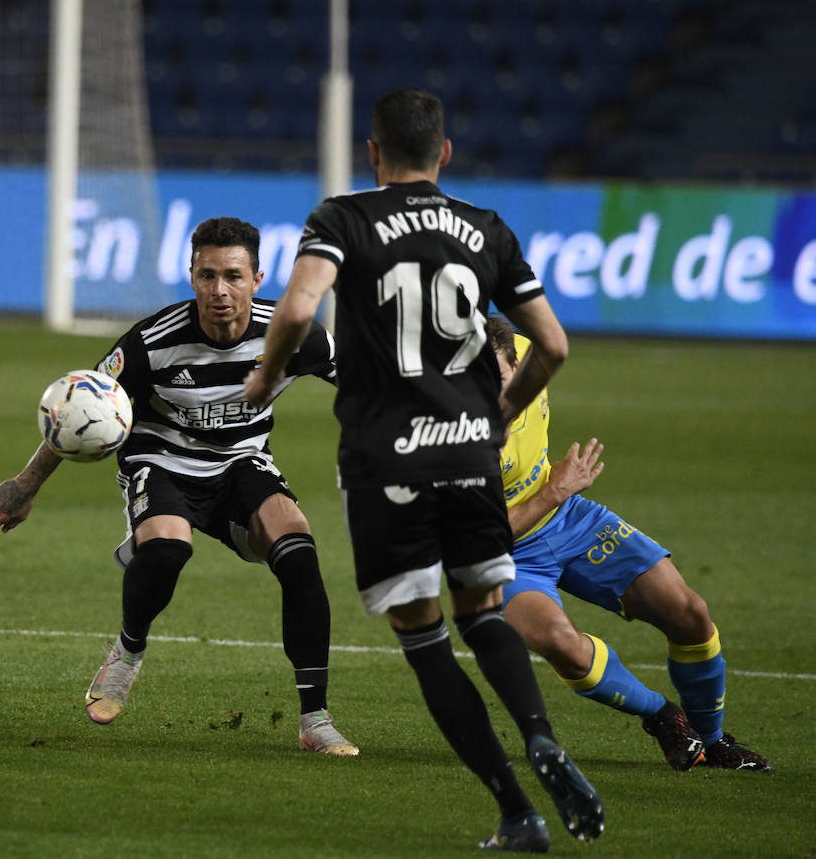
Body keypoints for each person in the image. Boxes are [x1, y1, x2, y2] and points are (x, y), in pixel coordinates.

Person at [245, 87, 604, 851]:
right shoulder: (485, 228)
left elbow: (300, 309)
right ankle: (540, 735)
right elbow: (555, 344)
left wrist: (265, 377)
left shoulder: (342, 217)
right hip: (470, 450)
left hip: (386, 460)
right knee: (484, 609)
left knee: (426, 635)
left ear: (372, 153)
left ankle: (515, 809)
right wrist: (504, 414)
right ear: (445, 153)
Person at [0, 216, 359, 757]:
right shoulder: (149, 344)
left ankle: (315, 720)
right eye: (207, 275)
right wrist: (26, 483)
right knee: (165, 549)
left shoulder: (292, 332)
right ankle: (128, 650)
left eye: (233, 275)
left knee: (299, 553)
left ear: (257, 279)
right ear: (190, 276)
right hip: (162, 462)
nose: (219, 290)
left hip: (242, 463)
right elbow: (79, 410)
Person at [485, 316, 772, 773]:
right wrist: (553, 492)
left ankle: (714, 743)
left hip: (568, 519)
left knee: (689, 613)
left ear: (518, 363)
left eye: (498, 382)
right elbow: (478, 536)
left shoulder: (532, 350)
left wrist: (556, 497)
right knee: (562, 644)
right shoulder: (448, 434)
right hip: (501, 554)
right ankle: (663, 716)